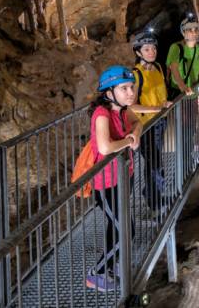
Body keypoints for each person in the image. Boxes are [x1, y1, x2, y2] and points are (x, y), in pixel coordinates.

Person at [85, 66, 141, 293]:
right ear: (109, 92)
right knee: (127, 229)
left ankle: (111, 265)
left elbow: (137, 122)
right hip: (105, 184)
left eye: (131, 87)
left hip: (121, 178)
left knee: (117, 226)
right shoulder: (102, 113)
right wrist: (129, 142)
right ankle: (96, 272)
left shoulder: (121, 110)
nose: (131, 93)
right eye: (124, 88)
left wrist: (134, 134)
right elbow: (105, 146)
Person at [128, 30, 172, 215]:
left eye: (153, 48)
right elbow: (132, 106)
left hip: (160, 123)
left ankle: (153, 193)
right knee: (155, 163)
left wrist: (163, 108)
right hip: (145, 127)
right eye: (146, 49)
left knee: (154, 162)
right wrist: (157, 109)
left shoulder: (158, 68)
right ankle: (154, 202)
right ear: (138, 52)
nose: (151, 52)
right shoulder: (136, 74)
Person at [166, 13, 199, 98]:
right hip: (179, 93)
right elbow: (174, 69)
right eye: (190, 30)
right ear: (184, 32)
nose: (194, 32)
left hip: (193, 91)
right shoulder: (176, 48)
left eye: (196, 29)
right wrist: (183, 87)